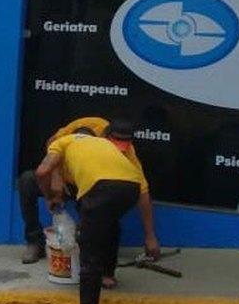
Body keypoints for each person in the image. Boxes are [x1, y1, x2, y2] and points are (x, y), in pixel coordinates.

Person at [35, 128, 160, 304]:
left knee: (89, 253)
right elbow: (143, 193)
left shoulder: (62, 142)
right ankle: (107, 274)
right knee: (107, 226)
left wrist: (49, 196)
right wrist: (150, 235)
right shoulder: (102, 144)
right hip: (130, 187)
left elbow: (42, 171)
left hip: (101, 187)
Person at [16, 117, 147, 280]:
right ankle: (34, 241)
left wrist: (151, 236)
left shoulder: (123, 147)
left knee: (102, 209)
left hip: (90, 183)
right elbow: (51, 146)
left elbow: (142, 189)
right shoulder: (75, 133)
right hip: (65, 180)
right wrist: (55, 179)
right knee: (27, 181)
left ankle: (99, 259)